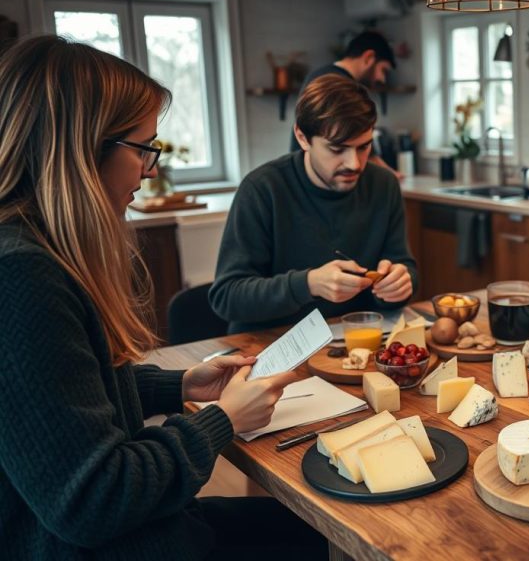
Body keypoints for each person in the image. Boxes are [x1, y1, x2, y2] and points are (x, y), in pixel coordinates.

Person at [0, 36, 326, 560]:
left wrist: (177, 385)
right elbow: (91, 498)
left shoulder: (36, 252)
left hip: (149, 529)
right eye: (143, 148)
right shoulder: (20, 279)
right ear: (82, 150)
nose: (151, 170)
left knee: (318, 533)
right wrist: (220, 422)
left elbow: (71, 393)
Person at [211, 74, 418, 334]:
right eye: (336, 149)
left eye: (364, 147)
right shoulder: (262, 189)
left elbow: (403, 265)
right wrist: (307, 284)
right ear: (302, 136)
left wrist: (400, 284)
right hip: (270, 347)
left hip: (354, 342)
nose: (354, 163)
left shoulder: (384, 185)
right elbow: (227, 297)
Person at [288, 30, 398, 175]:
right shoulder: (338, 84)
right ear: (368, 58)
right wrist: (389, 175)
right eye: (383, 70)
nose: (382, 79)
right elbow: (348, 136)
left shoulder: (323, 74)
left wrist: (387, 176)